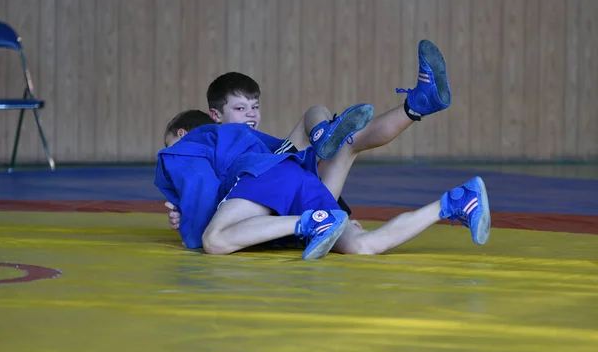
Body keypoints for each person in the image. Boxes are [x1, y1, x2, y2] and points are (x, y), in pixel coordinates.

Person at [166, 39, 451, 229]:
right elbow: (207, 195)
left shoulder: (254, 144)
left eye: (255, 107)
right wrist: (187, 213)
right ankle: (323, 134)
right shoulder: (215, 151)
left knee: (346, 139)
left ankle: (416, 106)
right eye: (241, 109)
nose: (251, 114)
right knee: (331, 135)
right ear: (216, 117)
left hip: (288, 188)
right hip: (278, 197)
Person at [155, 107, 491, 260]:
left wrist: (189, 226)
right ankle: (455, 202)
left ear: (181, 136)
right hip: (298, 179)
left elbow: (199, 193)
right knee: (364, 245)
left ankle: (312, 222)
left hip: (267, 178)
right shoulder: (244, 138)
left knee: (213, 240)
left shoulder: (187, 146)